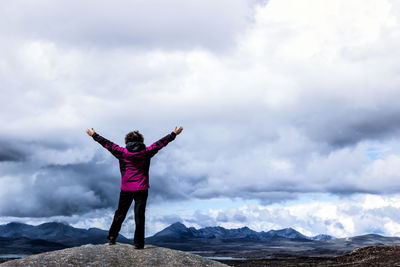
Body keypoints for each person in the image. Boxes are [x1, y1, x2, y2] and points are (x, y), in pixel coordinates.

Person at [86, 126, 183, 249]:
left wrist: (94, 135)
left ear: (127, 141)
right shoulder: (146, 152)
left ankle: (112, 237)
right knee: (139, 215)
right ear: (141, 141)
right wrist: (173, 134)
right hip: (142, 188)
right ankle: (139, 243)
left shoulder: (122, 152)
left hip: (126, 188)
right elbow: (160, 143)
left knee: (120, 213)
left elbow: (107, 144)